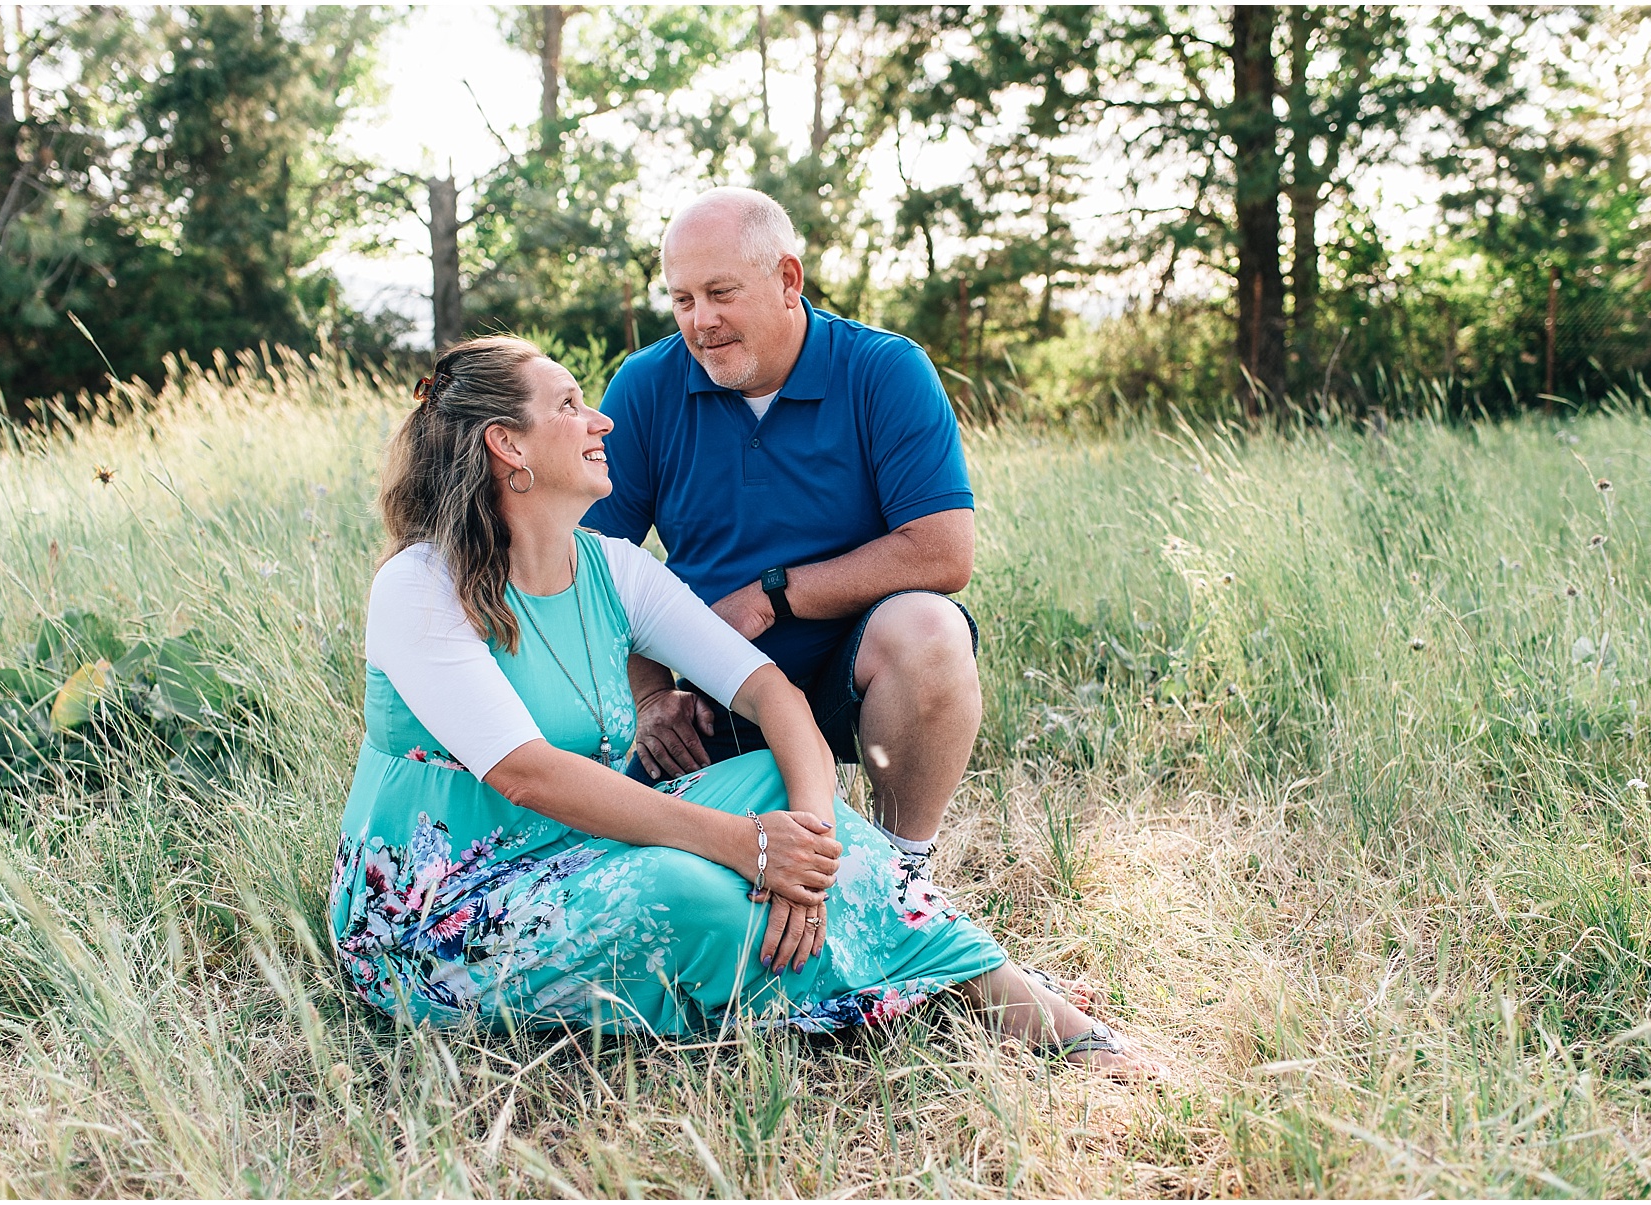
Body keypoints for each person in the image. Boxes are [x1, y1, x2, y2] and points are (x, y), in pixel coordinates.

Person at [328, 334, 1166, 1075]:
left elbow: (773, 693)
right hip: (443, 914)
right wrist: (744, 846)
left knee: (774, 777)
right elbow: (528, 774)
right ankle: (955, 986)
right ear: (507, 446)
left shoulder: (613, 568)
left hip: (580, 852)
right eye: (571, 406)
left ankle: (970, 975)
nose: (603, 421)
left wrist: (806, 852)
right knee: (684, 887)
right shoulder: (419, 585)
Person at [582, 187, 978, 877]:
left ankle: (902, 871)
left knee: (931, 630)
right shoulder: (646, 384)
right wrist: (650, 694)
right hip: (711, 689)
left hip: (848, 680)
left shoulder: (886, 370)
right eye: (682, 300)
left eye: (720, 293)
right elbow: (589, 563)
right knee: (628, 867)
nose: (700, 321)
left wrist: (775, 593)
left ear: (787, 280)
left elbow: (943, 549)